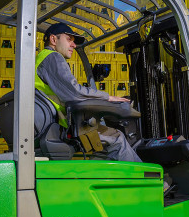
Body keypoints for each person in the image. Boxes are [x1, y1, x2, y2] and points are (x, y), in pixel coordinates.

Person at [35, 22, 141, 162]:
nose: (74, 45)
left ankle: (103, 180)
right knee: (117, 138)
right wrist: (108, 98)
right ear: (54, 40)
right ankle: (148, 181)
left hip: (50, 127)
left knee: (100, 148)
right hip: (64, 128)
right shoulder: (52, 57)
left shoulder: (41, 59)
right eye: (69, 40)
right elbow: (74, 93)